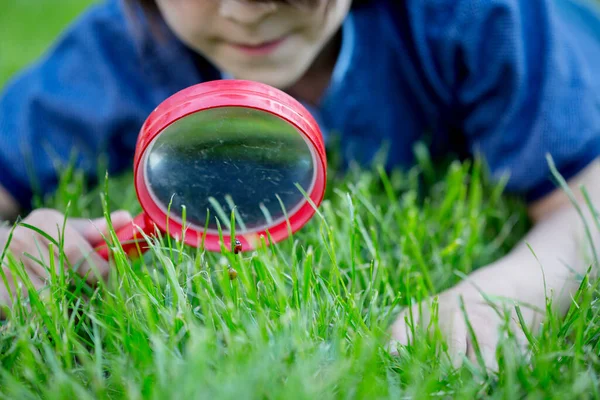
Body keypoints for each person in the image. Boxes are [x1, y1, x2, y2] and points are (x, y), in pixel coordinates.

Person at [0, 0, 599, 369]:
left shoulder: (478, 17)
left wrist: (515, 289)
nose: (244, 10)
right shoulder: (113, 51)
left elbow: (585, 190)